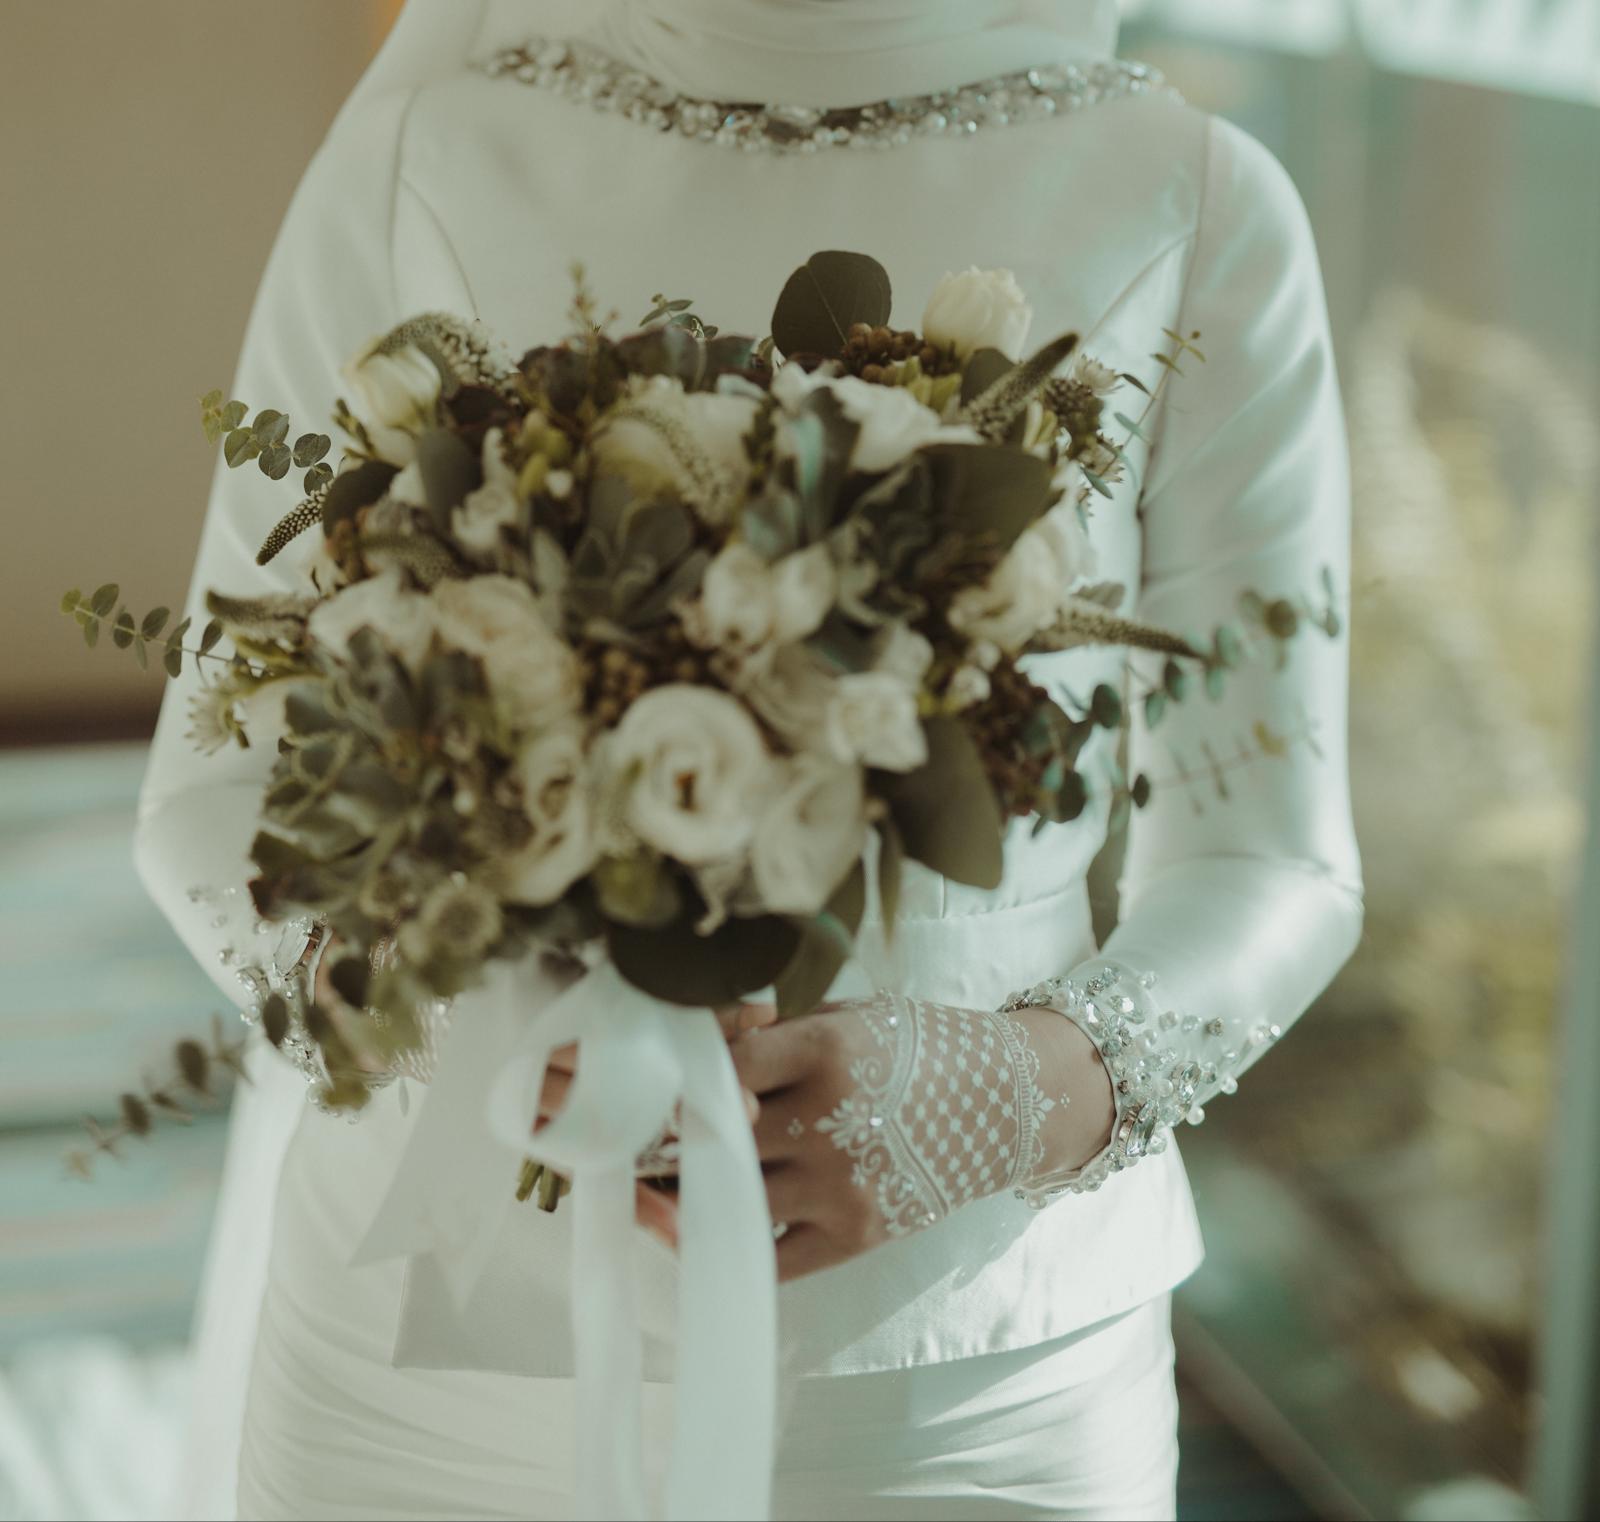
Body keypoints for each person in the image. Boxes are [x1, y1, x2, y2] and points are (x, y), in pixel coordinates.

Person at [135, 3, 1363, 1518]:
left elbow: (1280, 856)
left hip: (979, 1370)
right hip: (427, 1352)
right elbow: (216, 791)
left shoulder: (1194, 195)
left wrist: (1015, 1091)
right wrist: (474, 1039)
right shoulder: (427, 153)